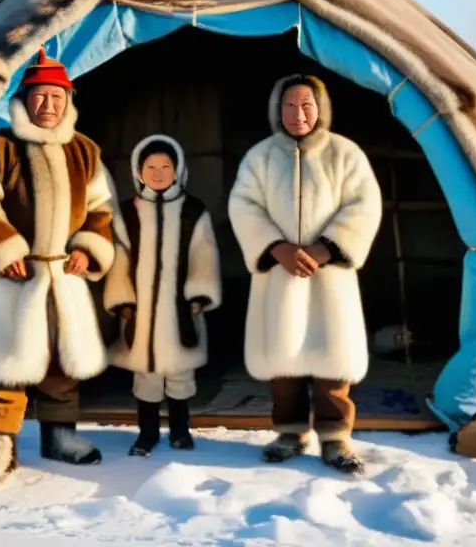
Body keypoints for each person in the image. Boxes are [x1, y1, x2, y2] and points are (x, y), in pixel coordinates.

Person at [0, 46, 116, 487]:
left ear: (68, 101)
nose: (48, 106)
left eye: (57, 97)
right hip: (17, 277)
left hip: (64, 275)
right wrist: (6, 253)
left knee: (61, 363)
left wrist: (88, 248)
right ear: (24, 100)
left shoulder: (84, 151)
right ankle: (1, 444)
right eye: (40, 97)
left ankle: (59, 436)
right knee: (10, 361)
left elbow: (102, 209)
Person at [227, 73, 383, 474]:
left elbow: (364, 205)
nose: (299, 114)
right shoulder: (260, 157)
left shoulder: (345, 155)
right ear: (277, 110)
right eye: (290, 106)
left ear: (321, 109)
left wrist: (324, 247)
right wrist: (275, 247)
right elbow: (243, 205)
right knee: (284, 358)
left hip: (328, 276)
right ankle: (290, 431)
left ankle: (335, 437)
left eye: (307, 105)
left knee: (333, 357)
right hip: (280, 275)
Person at [103, 134, 222, 456]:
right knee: (146, 377)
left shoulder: (192, 212)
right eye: (150, 166)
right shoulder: (127, 213)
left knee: (180, 374)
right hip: (141, 313)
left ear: (178, 169)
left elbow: (204, 254)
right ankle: (148, 433)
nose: (158, 173)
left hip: (180, 310)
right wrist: (122, 298)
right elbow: (120, 256)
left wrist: (200, 293)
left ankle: (181, 431)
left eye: (165, 166)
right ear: (138, 171)